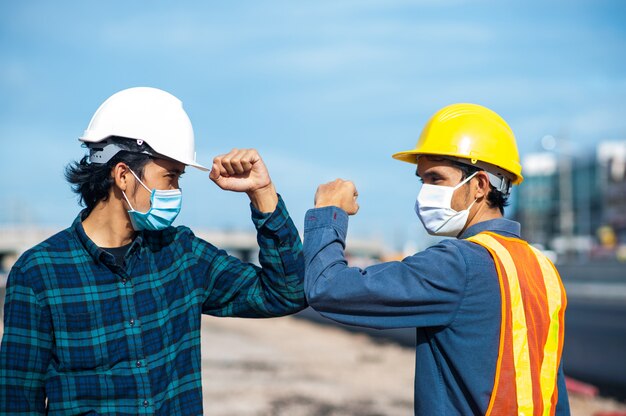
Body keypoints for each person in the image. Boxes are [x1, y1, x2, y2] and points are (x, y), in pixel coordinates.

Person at [0, 87, 306, 415]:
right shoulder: (39, 274)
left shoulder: (182, 255)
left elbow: (287, 292)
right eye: (170, 177)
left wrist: (262, 193)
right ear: (122, 175)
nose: (176, 191)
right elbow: (18, 402)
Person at [303, 103, 569, 415]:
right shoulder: (544, 269)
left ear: (480, 185)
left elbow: (328, 288)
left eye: (436, 178)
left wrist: (328, 212)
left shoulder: (459, 263)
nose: (424, 193)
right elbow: (551, 390)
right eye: (422, 180)